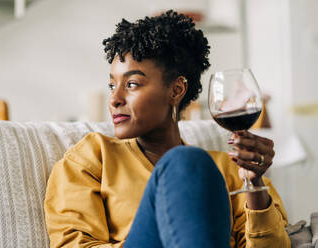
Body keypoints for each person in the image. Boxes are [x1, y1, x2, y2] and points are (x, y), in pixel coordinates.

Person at [44, 10, 290, 248]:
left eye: (131, 84)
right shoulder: (92, 158)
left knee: (188, 162)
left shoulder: (229, 168)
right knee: (185, 161)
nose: (114, 99)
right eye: (112, 85)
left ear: (176, 90)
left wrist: (255, 184)